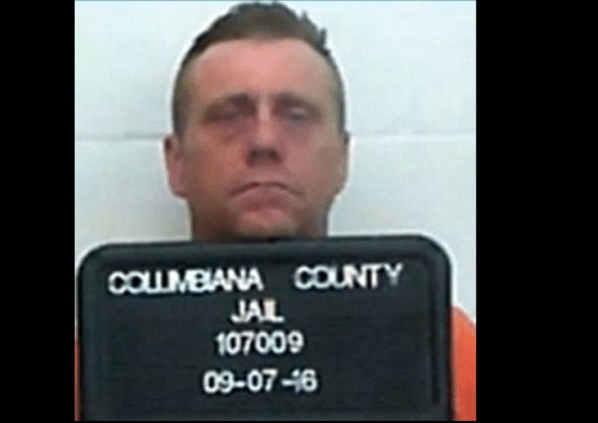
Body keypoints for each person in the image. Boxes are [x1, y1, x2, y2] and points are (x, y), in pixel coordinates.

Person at [75, 2, 475, 420]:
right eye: (229, 117)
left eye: (296, 116)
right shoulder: (104, 362)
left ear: (342, 158)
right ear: (176, 162)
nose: (264, 141)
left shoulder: (439, 351)